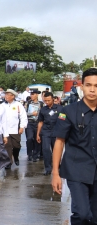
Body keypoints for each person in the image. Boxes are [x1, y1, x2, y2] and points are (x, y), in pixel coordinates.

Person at [52, 68, 97, 224]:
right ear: (81, 86)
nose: (92, 89)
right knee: (83, 214)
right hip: (76, 170)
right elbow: (59, 142)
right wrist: (55, 173)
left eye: (96, 86)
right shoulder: (68, 111)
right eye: (88, 85)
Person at [36, 92, 63, 176]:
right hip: (46, 132)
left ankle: (58, 167)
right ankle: (48, 168)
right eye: (45, 100)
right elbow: (40, 122)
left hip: (56, 132)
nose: (47, 102)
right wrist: (38, 134)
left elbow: (63, 121)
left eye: (48, 100)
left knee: (56, 150)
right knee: (46, 150)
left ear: (53, 99)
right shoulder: (43, 109)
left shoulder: (60, 109)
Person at [2, 89, 28, 169]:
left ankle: (16, 156)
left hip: (15, 129)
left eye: (8, 95)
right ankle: (9, 162)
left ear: (13, 96)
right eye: (5, 95)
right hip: (5, 129)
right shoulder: (2, 105)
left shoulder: (18, 105)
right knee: (7, 146)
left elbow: (23, 116)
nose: (6, 96)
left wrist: (22, 126)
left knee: (17, 146)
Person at [25, 90, 43, 162]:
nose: (31, 96)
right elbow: (24, 113)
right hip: (29, 123)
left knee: (37, 139)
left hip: (37, 123)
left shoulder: (41, 104)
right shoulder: (28, 103)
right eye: (31, 94)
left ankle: (36, 155)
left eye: (33, 94)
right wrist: (31, 114)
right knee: (29, 138)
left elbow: (43, 113)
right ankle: (29, 154)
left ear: (37, 95)